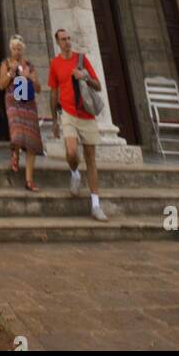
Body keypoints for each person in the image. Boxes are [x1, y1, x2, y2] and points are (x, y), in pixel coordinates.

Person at [48, 27, 108, 221]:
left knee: (91, 159)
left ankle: (96, 204)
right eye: (63, 39)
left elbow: (98, 85)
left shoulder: (81, 60)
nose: (67, 41)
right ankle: (74, 172)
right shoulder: (55, 64)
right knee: (72, 152)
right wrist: (54, 121)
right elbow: (53, 92)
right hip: (68, 113)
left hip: (87, 114)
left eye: (69, 38)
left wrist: (85, 77)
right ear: (57, 42)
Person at [0, 35, 43, 190]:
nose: (17, 51)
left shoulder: (29, 65)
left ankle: (29, 180)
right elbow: (1, 85)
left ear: (23, 49)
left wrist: (29, 77)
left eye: (19, 48)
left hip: (28, 103)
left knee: (31, 140)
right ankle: (15, 153)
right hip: (13, 101)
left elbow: (39, 89)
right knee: (17, 134)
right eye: (14, 48)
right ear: (11, 49)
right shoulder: (5, 63)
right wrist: (11, 73)